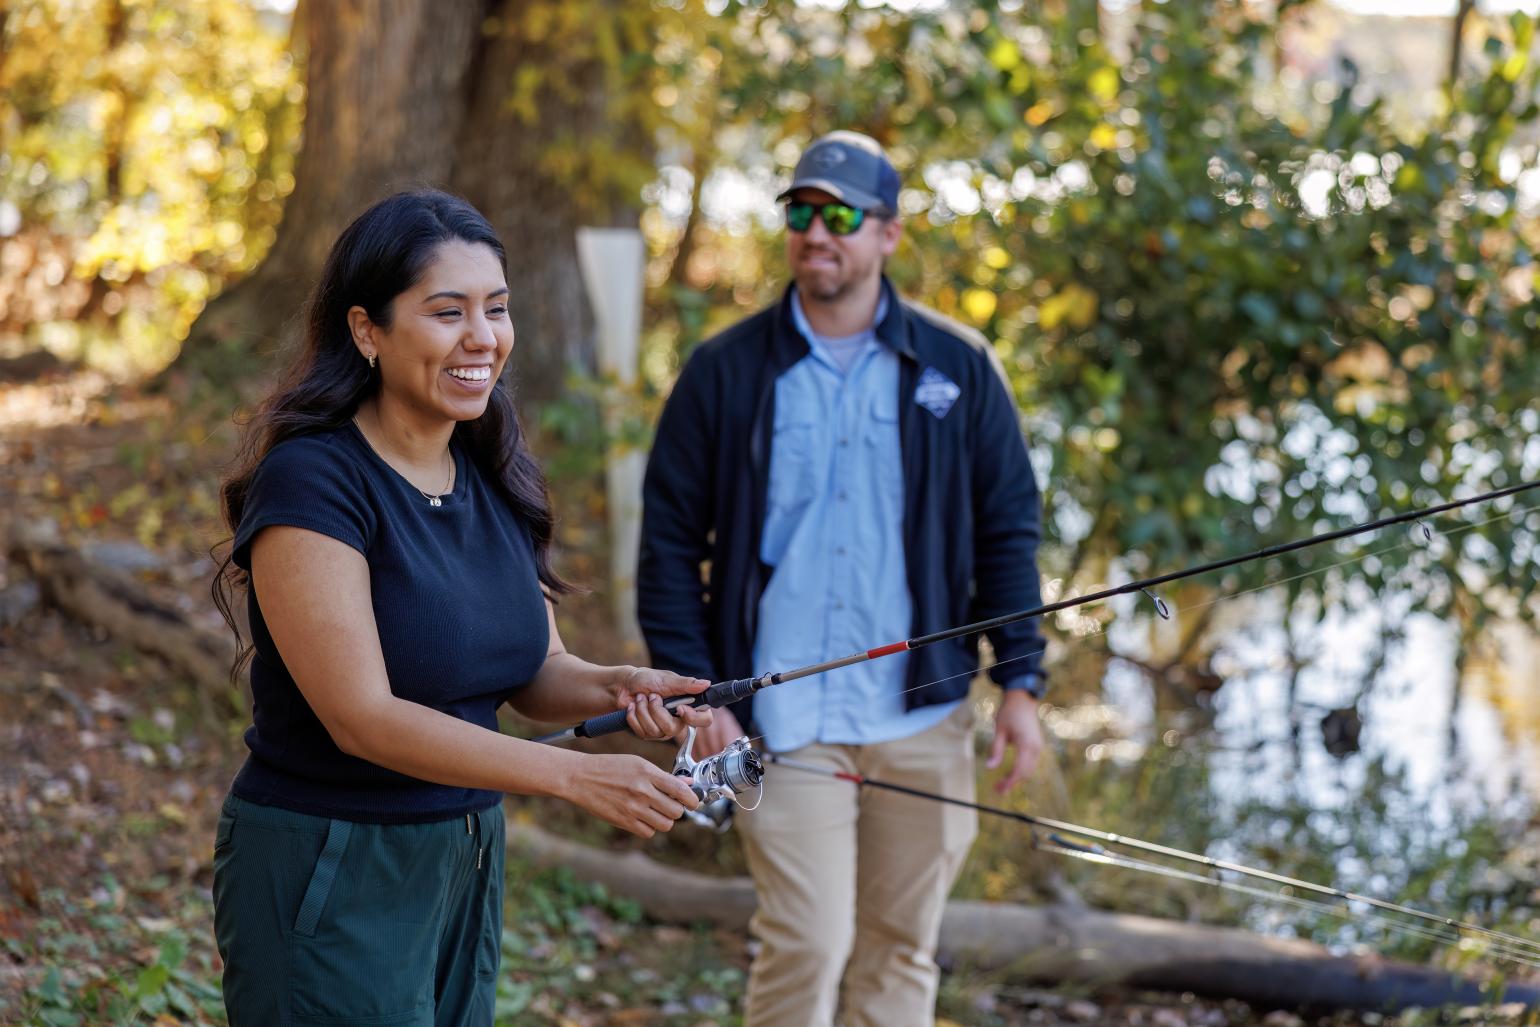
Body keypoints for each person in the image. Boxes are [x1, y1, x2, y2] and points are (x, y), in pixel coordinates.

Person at [210, 189, 710, 1026]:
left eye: (497, 309)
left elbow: (536, 671)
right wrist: (574, 774)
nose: (483, 337)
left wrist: (618, 685)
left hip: (465, 854)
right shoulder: (314, 482)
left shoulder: (490, 470)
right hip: (331, 858)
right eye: (448, 312)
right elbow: (362, 717)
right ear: (367, 330)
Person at [638, 131, 1050, 1027]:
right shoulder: (723, 372)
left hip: (923, 714)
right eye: (800, 212)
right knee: (808, 942)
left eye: (840, 215)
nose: (816, 232)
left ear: (888, 234)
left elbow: (1006, 531)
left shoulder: (959, 367)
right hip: (783, 723)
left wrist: (1021, 678)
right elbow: (669, 543)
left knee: (902, 949)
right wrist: (702, 693)